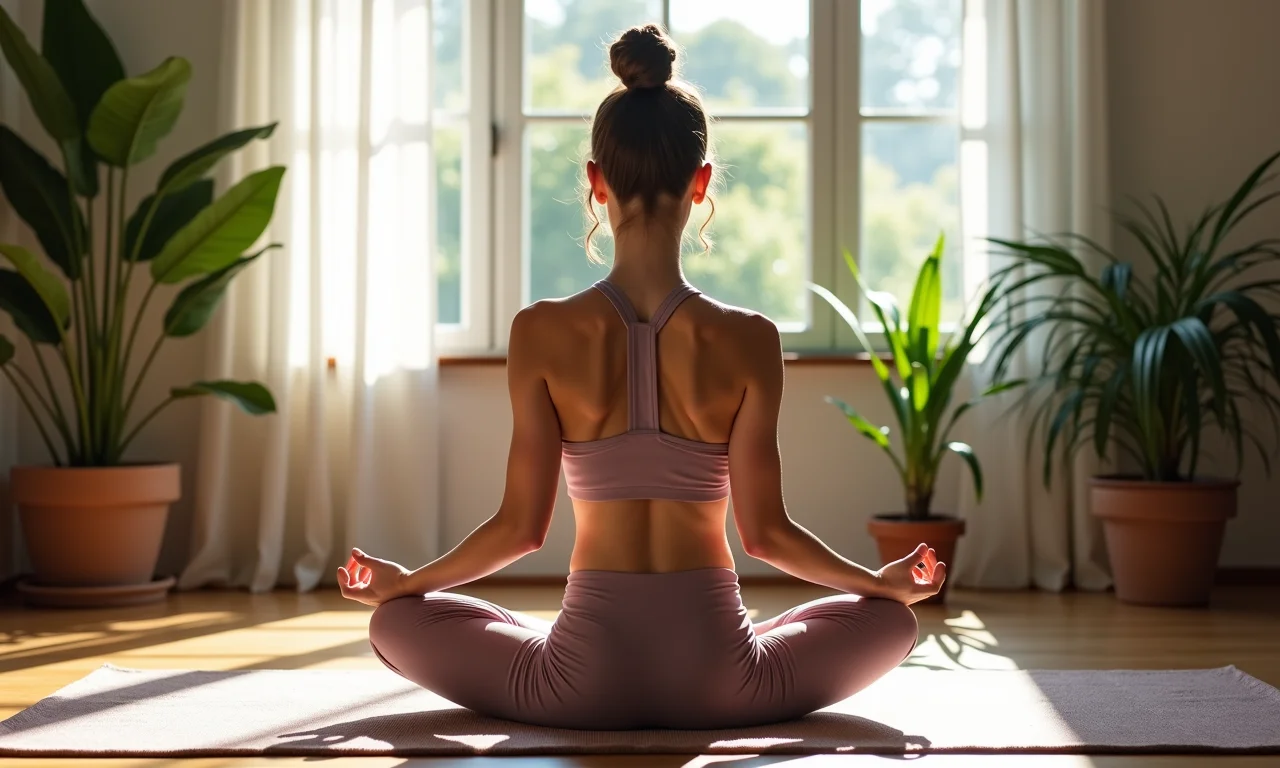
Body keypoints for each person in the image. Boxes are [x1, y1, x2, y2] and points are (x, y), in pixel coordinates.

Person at [336, 23, 945, 731]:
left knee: (397, 621)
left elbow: (520, 532)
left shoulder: (539, 332)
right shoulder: (751, 339)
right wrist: (880, 584)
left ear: (595, 182)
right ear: (702, 182)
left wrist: (406, 584)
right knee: (891, 622)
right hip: (724, 684)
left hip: (576, 688)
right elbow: (768, 537)